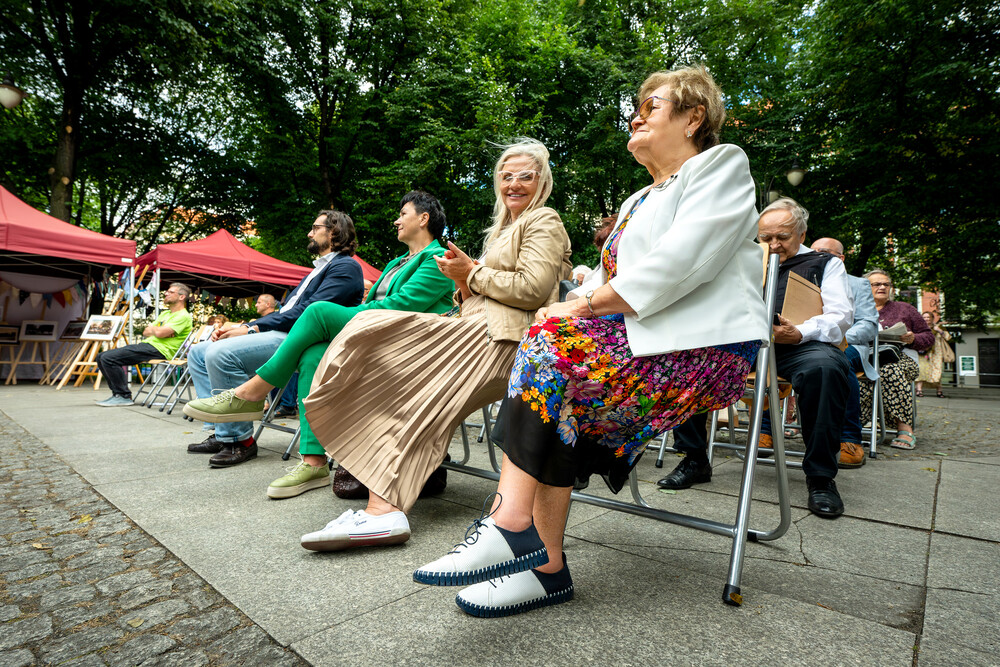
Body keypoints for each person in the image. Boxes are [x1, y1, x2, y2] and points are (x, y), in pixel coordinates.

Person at [413, 66, 770, 618]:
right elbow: (604, 283)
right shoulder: (634, 201)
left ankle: (510, 528)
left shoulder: (721, 166)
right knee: (554, 375)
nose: (636, 114)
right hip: (634, 343)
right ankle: (543, 567)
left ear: (694, 116)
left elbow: (684, 262)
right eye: (637, 106)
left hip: (704, 351)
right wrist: (580, 300)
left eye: (652, 105)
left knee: (552, 339)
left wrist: (580, 306)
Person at [274, 138, 570, 554]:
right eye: (507, 176)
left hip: (506, 341)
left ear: (542, 182)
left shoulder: (544, 220)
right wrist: (464, 283)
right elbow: (483, 292)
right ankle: (382, 506)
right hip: (480, 329)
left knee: (389, 353)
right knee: (383, 359)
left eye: (526, 176)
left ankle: (382, 509)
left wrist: (472, 273)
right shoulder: (503, 229)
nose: (515, 184)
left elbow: (533, 288)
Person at [184, 190, 456, 497]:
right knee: (312, 354)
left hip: (405, 343)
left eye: (402, 214)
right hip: (375, 334)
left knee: (318, 311)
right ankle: (313, 463)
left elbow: (401, 304)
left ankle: (251, 392)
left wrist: (347, 314)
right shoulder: (397, 260)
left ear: (423, 218)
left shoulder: (438, 260)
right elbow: (378, 300)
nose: (396, 220)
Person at [658, 198, 853, 519]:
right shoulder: (743, 262)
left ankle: (821, 477)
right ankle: (694, 458)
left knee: (826, 368)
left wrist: (799, 332)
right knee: (687, 362)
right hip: (743, 344)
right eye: (765, 238)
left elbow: (841, 316)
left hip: (798, 344)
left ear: (802, 234)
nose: (774, 245)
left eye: (783, 237)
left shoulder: (825, 263)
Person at [182, 211, 364, 467]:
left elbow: (307, 314)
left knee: (220, 353)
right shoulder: (320, 269)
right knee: (198, 352)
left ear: (333, 232)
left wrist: (252, 327)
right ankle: (221, 429)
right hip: (282, 333)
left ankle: (239, 440)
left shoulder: (346, 267)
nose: (309, 233)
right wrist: (246, 326)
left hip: (300, 341)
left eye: (315, 227)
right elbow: (287, 311)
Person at [811, 236, 879, 467]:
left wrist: (836, 336)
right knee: (773, 359)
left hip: (847, 346)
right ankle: (767, 431)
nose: (817, 255)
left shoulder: (858, 284)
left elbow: (868, 324)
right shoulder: (801, 279)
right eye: (813, 251)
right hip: (806, 343)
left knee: (839, 361)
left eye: (824, 252)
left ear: (841, 258)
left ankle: (850, 439)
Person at [860, 269, 933, 449]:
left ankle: (904, 429)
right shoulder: (858, 309)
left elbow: (928, 337)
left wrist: (913, 338)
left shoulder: (905, 309)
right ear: (865, 288)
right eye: (877, 284)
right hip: (866, 358)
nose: (883, 287)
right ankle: (854, 425)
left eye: (886, 284)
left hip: (901, 359)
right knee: (855, 374)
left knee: (888, 370)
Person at [95, 283, 193, 407]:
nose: (166, 293)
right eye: (167, 291)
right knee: (101, 356)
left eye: (171, 292)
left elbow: (160, 332)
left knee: (108, 358)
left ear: (181, 297)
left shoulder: (183, 316)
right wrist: (158, 331)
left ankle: (123, 396)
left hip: (161, 349)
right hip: (149, 345)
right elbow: (146, 331)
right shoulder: (165, 314)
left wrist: (157, 330)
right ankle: (117, 394)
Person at [916, 312, 952, 397]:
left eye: (928, 317)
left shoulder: (938, 327)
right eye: (924, 317)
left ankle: (939, 391)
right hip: (923, 352)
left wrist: (939, 330)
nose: (926, 319)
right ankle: (919, 390)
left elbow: (948, 337)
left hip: (936, 352)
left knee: (937, 372)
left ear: (932, 318)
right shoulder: (919, 328)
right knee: (921, 370)